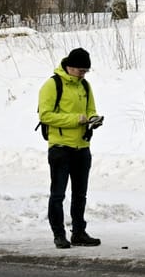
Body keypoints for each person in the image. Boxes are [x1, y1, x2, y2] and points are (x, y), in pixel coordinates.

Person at [38, 47, 102, 249]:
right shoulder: (52, 84)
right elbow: (45, 115)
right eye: (81, 70)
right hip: (60, 147)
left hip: (82, 146)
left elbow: (90, 108)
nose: (83, 74)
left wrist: (93, 119)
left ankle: (79, 232)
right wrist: (75, 119)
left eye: (86, 71)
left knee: (80, 194)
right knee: (58, 194)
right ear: (70, 67)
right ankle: (59, 234)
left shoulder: (85, 86)